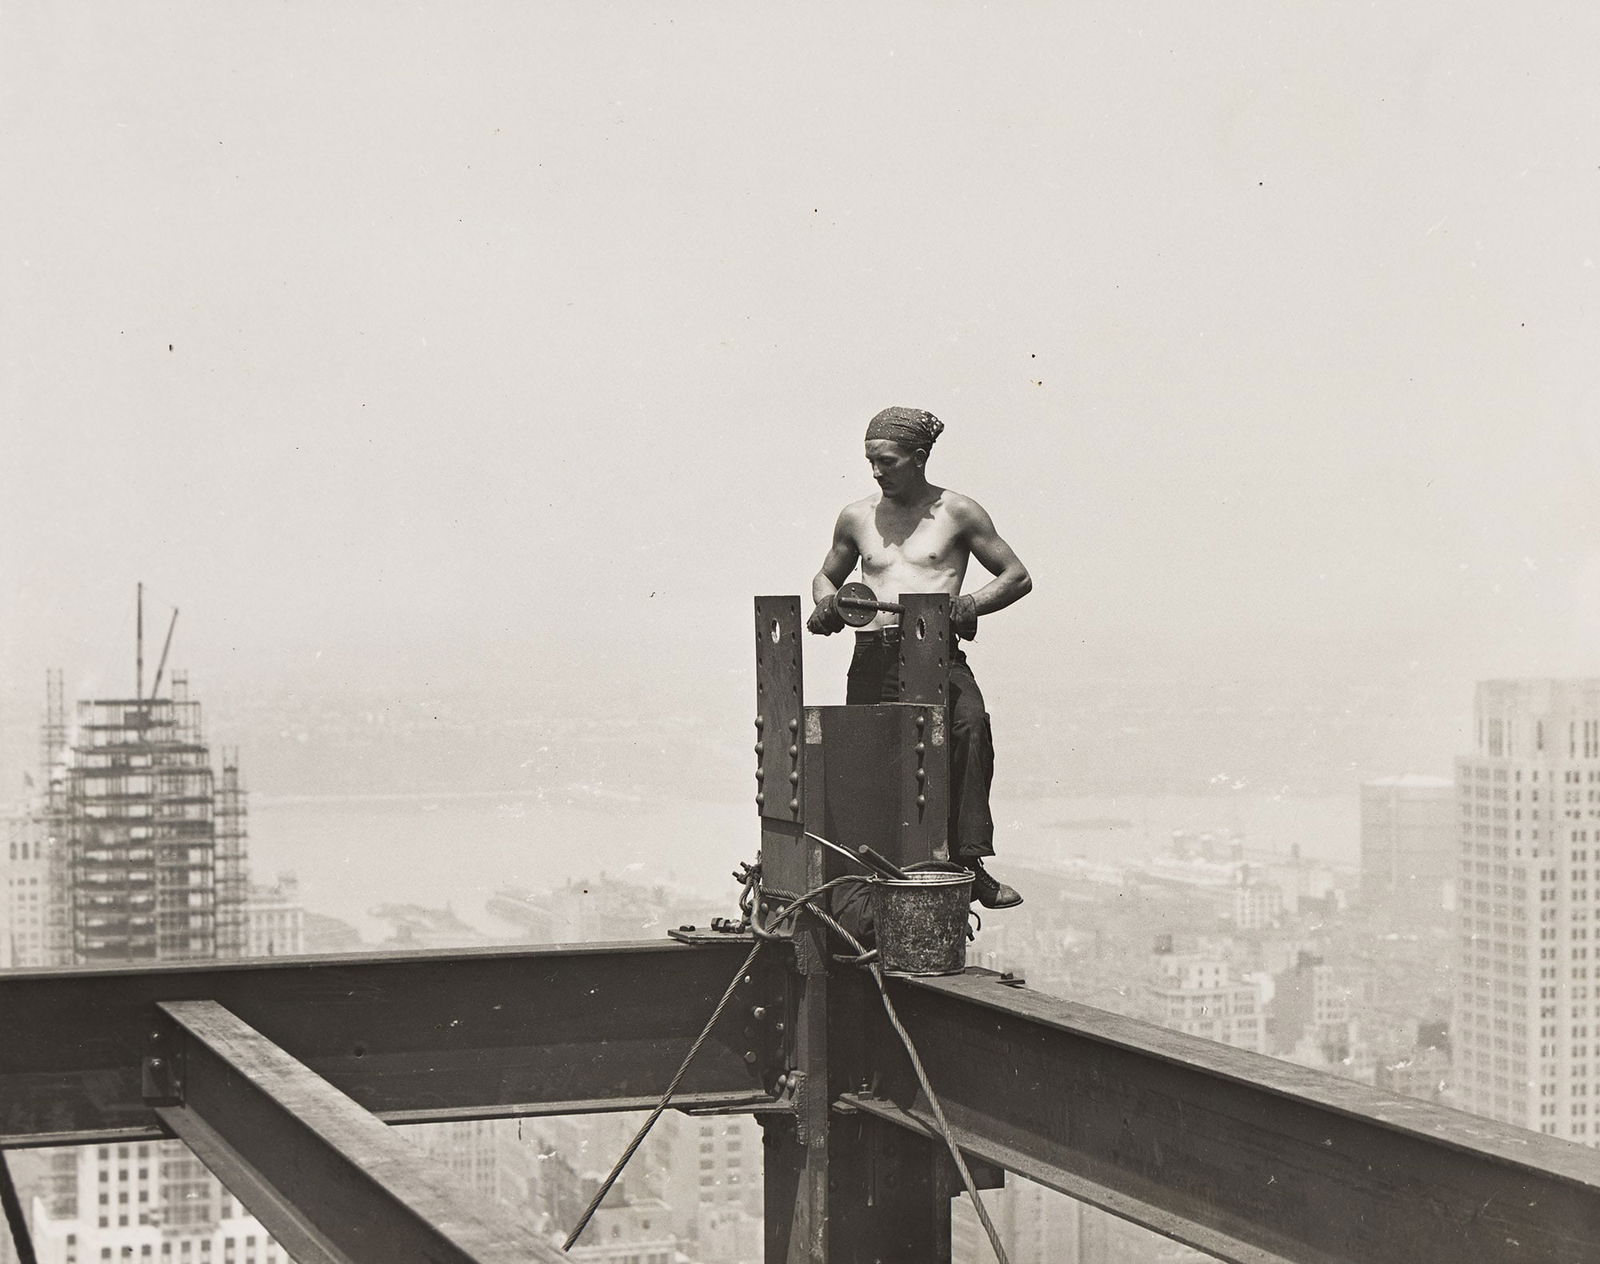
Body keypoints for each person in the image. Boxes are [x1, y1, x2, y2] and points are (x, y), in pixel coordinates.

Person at [806, 406, 1032, 909]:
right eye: (871, 462)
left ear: (920, 457)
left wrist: (969, 604)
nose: (876, 472)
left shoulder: (959, 512)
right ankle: (862, 882)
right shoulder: (857, 516)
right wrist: (828, 603)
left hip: (935, 652)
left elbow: (1016, 576)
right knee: (865, 756)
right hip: (873, 656)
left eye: (887, 461)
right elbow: (828, 575)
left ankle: (968, 864)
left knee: (969, 726)